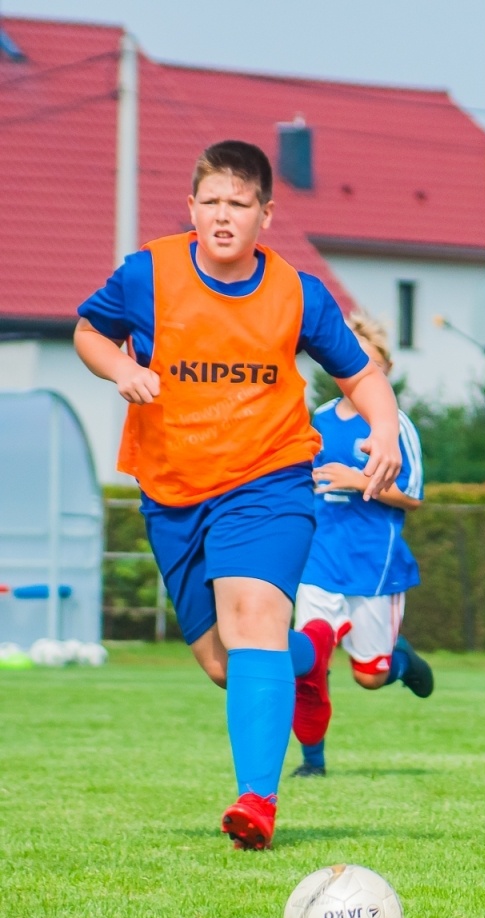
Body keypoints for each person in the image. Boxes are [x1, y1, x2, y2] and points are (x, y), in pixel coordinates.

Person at [73, 141, 401, 849]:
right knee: (226, 663)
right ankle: (310, 655)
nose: (224, 216)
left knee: (251, 618)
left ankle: (258, 803)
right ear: (192, 209)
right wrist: (117, 371)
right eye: (211, 202)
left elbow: (360, 374)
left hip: (269, 477)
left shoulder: (297, 294)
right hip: (172, 490)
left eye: (239, 204)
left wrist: (385, 430)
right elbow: (88, 331)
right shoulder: (146, 274)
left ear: (266, 215)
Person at [290, 313, 433, 778]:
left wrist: (360, 481)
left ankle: (400, 659)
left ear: (386, 371)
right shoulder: (320, 420)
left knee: (369, 677)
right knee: (309, 663)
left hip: (374, 566)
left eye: (369, 365)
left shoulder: (396, 427)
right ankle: (313, 762)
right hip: (319, 561)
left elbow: (411, 497)